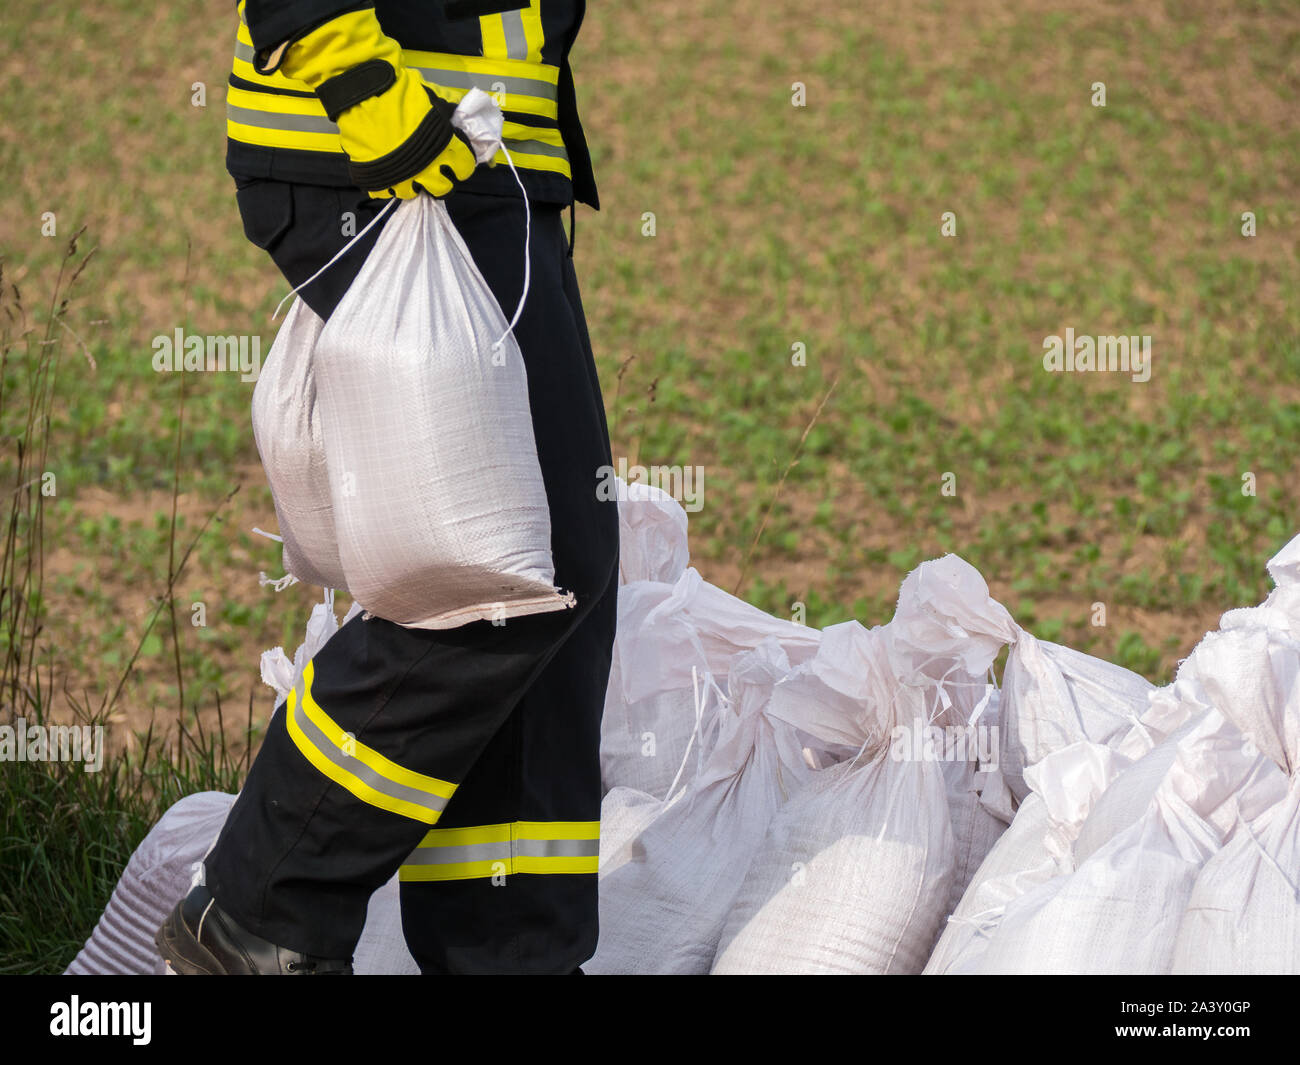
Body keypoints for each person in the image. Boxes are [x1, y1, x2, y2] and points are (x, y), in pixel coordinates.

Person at [155, 0, 618, 975]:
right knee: (492, 578)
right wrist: (372, 96)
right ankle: (259, 907)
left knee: (552, 580)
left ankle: (507, 954)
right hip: (395, 153)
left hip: (477, 159)